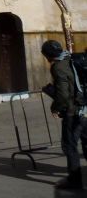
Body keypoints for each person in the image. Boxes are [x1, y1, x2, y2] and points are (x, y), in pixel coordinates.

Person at [41, 39, 86, 190]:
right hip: (85, 108)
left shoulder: (58, 67)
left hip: (74, 112)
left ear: (47, 55)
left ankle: (74, 181)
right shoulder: (71, 58)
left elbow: (63, 94)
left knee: (69, 145)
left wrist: (55, 108)